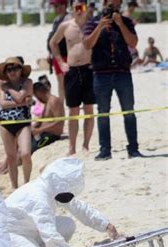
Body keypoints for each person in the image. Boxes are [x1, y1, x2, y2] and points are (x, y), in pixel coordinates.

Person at [5, 157, 120, 247]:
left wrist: (105, 224)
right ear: (61, 186)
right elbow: (49, 233)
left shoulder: (52, 188)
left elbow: (78, 207)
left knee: (68, 224)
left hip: (29, 227)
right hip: (11, 233)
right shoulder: (40, 198)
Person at [83, 0, 142, 160]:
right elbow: (87, 44)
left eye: (117, 4)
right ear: (105, 3)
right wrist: (100, 26)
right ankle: (105, 150)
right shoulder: (93, 22)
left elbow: (133, 42)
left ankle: (133, 148)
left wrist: (120, 24)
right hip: (101, 73)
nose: (114, 7)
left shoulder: (126, 21)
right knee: (103, 113)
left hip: (122, 72)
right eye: (111, 4)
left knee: (129, 112)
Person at [50, 0, 95, 155]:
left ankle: (86, 145)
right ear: (72, 8)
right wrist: (61, 62)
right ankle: (72, 147)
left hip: (88, 69)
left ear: (86, 7)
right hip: (72, 70)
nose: (79, 10)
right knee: (73, 111)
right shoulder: (66, 26)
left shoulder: (92, 25)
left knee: (89, 109)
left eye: (81, 6)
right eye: (76, 7)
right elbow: (53, 43)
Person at [0, 57, 33, 190]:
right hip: (5, 123)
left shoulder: (27, 82)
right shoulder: (1, 85)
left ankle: (27, 183)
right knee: (11, 157)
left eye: (15, 68)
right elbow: (3, 104)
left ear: (21, 70)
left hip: (23, 122)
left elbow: (19, 97)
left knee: (25, 153)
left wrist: (9, 89)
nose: (12, 72)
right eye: (9, 69)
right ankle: (15, 187)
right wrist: (23, 103)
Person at [47, 0, 71, 102]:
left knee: (68, 81)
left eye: (57, 5)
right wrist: (50, 53)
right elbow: (52, 38)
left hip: (66, 54)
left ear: (64, 5)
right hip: (57, 55)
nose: (55, 8)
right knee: (60, 81)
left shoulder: (69, 18)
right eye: (54, 6)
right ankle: (62, 102)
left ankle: (68, 101)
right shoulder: (57, 20)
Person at [31, 82, 65, 153]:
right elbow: (42, 119)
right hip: (42, 133)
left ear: (38, 93)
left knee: (30, 150)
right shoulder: (47, 102)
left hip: (51, 135)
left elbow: (59, 122)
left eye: (36, 96)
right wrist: (33, 127)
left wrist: (40, 130)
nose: (37, 99)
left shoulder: (54, 101)